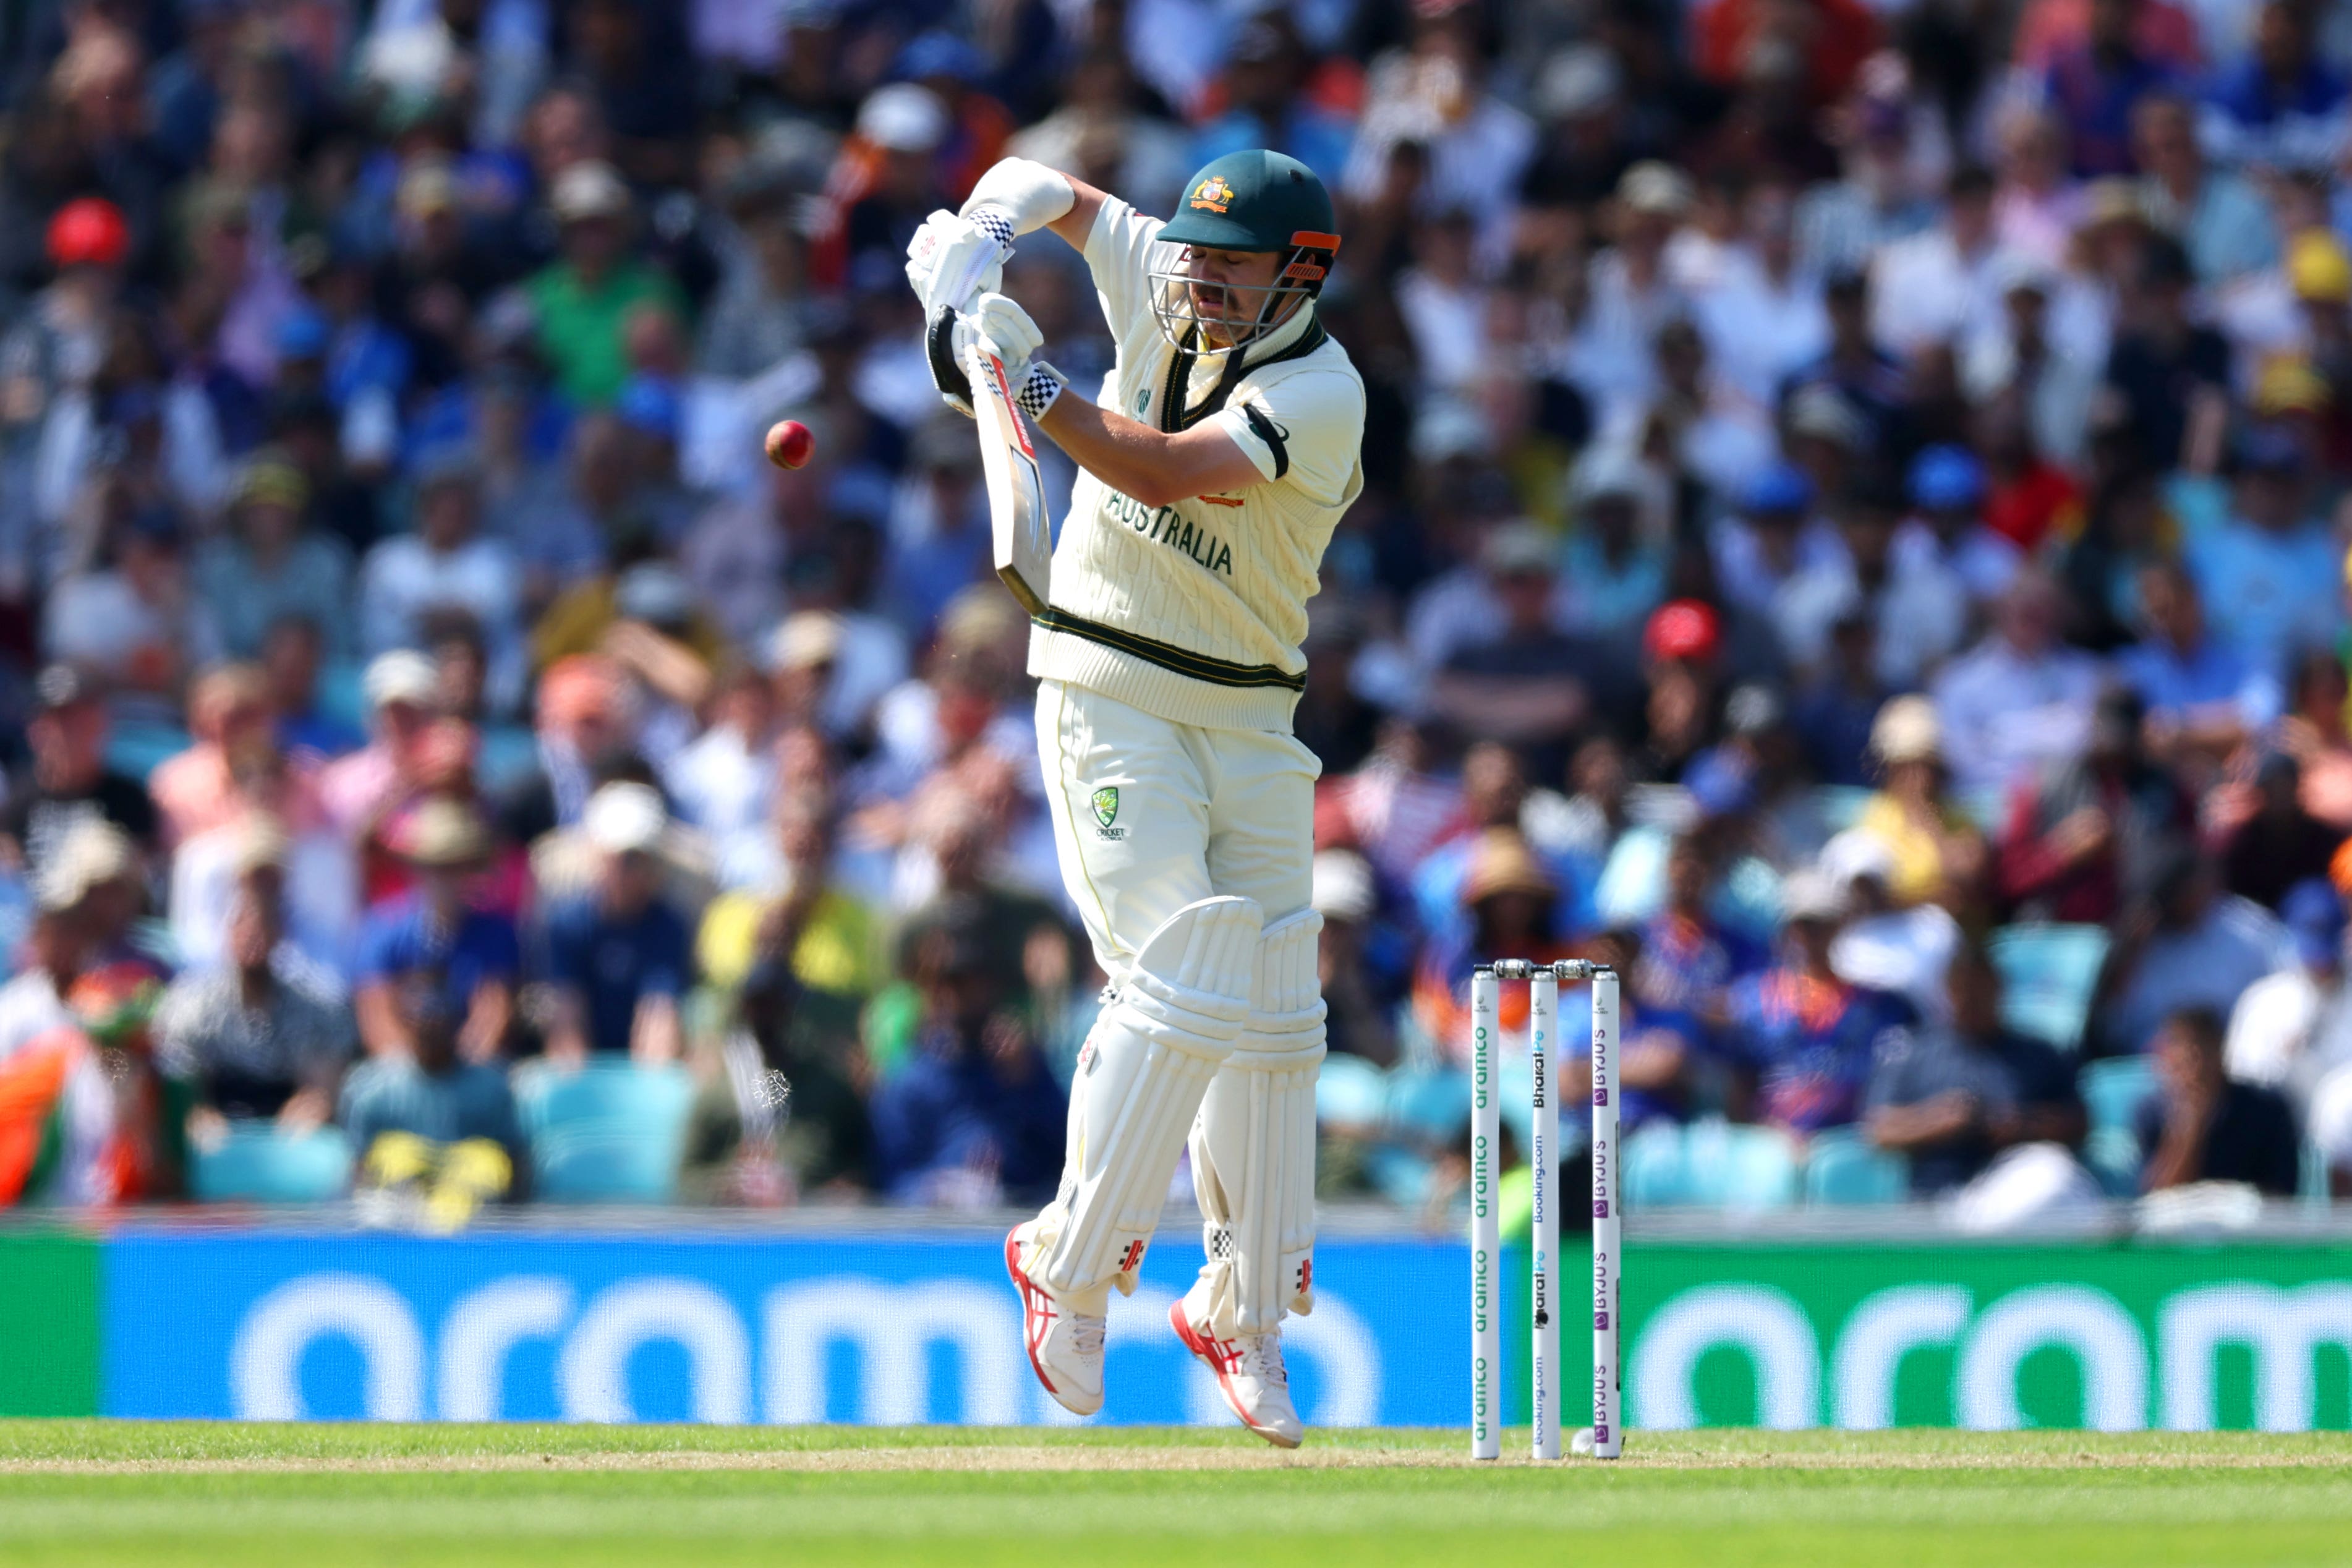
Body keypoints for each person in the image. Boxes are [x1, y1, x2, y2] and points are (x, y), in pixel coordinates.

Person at [903, 146, 1363, 1443]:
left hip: (1254, 710)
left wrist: (1016, 364)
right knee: (1186, 963)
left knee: (1275, 1004)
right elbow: (1061, 189)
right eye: (1195, 257)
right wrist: (988, 230)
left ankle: (1242, 1310)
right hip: (1110, 682)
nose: (1201, 282)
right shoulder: (1165, 271)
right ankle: (1066, 1267)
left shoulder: (1324, 391)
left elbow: (1154, 467)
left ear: (1301, 274)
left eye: (1233, 266)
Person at [152, 842, 354, 1139]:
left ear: (281, 933)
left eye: (263, 924)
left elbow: (323, 1081)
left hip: (286, 1128)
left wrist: (317, 1101)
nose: (252, 935)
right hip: (218, 1129)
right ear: (226, 933)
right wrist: (195, 1111)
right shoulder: (191, 1005)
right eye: (242, 924)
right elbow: (180, 1075)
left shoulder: (317, 1006)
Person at [1865, 942, 2084, 1194]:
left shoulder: (2039, 1052)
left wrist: (2023, 1125)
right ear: (1947, 991)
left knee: (2056, 1174)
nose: (1972, 999)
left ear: (1999, 988)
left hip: (2019, 1185)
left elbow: (2079, 1123)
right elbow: (1878, 1130)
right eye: (1963, 988)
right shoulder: (1913, 1052)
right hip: (1937, 1195)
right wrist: (1940, 1120)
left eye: (1981, 987)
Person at [1719, 871, 1916, 1136]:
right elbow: (1739, 1084)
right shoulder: (1754, 999)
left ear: (1839, 926)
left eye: (1820, 925)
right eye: (1800, 925)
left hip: (1846, 1144)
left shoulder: (1874, 1006)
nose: (1808, 936)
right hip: (1770, 1145)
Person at [339, 967, 527, 1230]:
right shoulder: (372, 1089)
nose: (430, 1025)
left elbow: (516, 1164)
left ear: (456, 1021)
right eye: (421, 1014)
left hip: (475, 1226)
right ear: (405, 1021)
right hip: (397, 1226)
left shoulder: (492, 1087)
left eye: (438, 1013)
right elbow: (358, 1170)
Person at [353, 801, 519, 1064]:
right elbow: (378, 1022)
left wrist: (457, 1069)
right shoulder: (381, 929)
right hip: (402, 1070)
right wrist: (418, 1070)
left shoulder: (497, 933)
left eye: (458, 866)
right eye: (438, 867)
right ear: (417, 870)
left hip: (470, 1068)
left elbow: (491, 1018)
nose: (449, 879)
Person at [537, 782, 691, 1064]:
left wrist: (644, 1091)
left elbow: (659, 1020)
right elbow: (567, 1024)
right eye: (624, 859)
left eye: (642, 859)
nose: (633, 871)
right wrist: (581, 1087)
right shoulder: (566, 923)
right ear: (599, 857)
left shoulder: (669, 925)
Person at [2136, 1005, 2300, 1196]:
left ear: (2220, 1049)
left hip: (2247, 1221)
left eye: (2200, 1050)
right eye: (2183, 1054)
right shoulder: (2153, 1113)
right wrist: (2189, 1129)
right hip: (2180, 1223)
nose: (2194, 1066)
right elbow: (2158, 1195)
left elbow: (2281, 1190)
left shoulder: (2265, 1109)